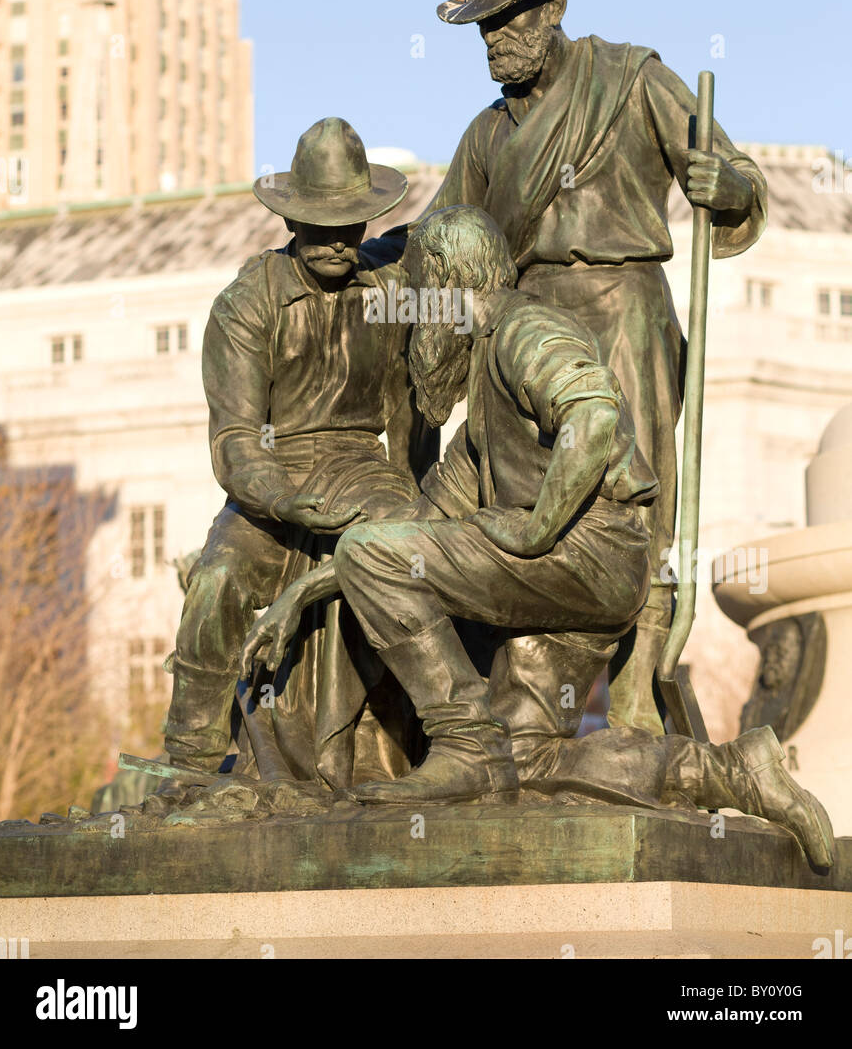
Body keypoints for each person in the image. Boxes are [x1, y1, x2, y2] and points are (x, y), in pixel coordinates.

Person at [239, 207, 833, 874]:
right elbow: (410, 539)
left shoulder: (522, 328)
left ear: (442, 279)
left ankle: (463, 742)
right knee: (529, 760)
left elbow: (592, 414)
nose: (412, 324)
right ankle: (735, 770)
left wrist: (536, 527)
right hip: (568, 582)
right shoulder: (478, 429)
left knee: (373, 565)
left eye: (417, 299)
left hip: (588, 555)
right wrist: (300, 595)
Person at [420, 0, 769, 732]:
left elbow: (733, 172)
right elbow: (440, 240)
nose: (495, 40)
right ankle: (523, 694)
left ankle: (643, 678)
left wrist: (733, 187)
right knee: (516, 498)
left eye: (508, 18)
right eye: (483, 25)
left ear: (553, 7)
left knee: (637, 492)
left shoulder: (632, 79)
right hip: (525, 329)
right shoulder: (485, 135)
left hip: (626, 312)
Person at [150, 118, 430, 812]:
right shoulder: (246, 305)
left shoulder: (391, 287)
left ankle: (430, 741)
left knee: (412, 554)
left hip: (365, 466)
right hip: (275, 474)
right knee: (216, 577)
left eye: (352, 223)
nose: (339, 240)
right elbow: (236, 443)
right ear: (291, 220)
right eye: (320, 224)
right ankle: (187, 758)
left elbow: (460, 235)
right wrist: (290, 503)